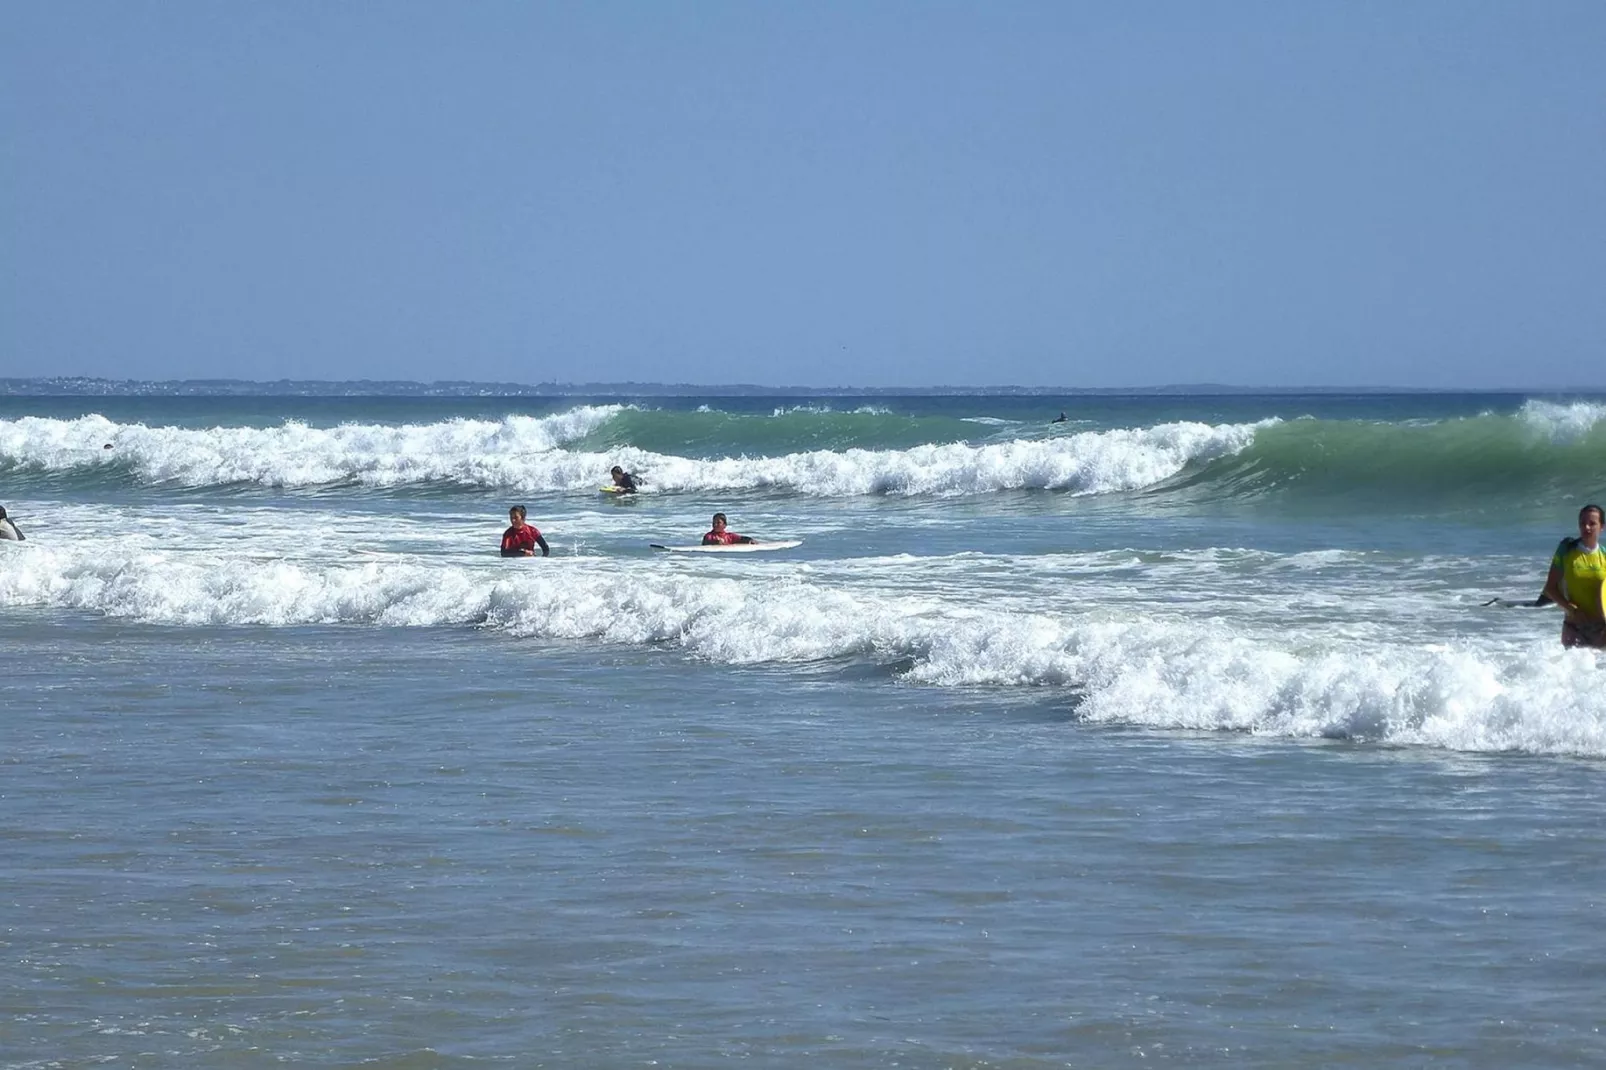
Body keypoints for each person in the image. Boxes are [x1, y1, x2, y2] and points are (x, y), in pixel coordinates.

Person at [1540, 503, 1605, 648]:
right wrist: (1572, 610)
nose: (1586, 527)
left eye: (1592, 523)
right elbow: (1550, 589)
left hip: (1602, 631)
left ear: (1602, 527)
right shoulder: (1566, 550)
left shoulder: (1605, 556)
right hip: (1574, 629)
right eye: (1582, 523)